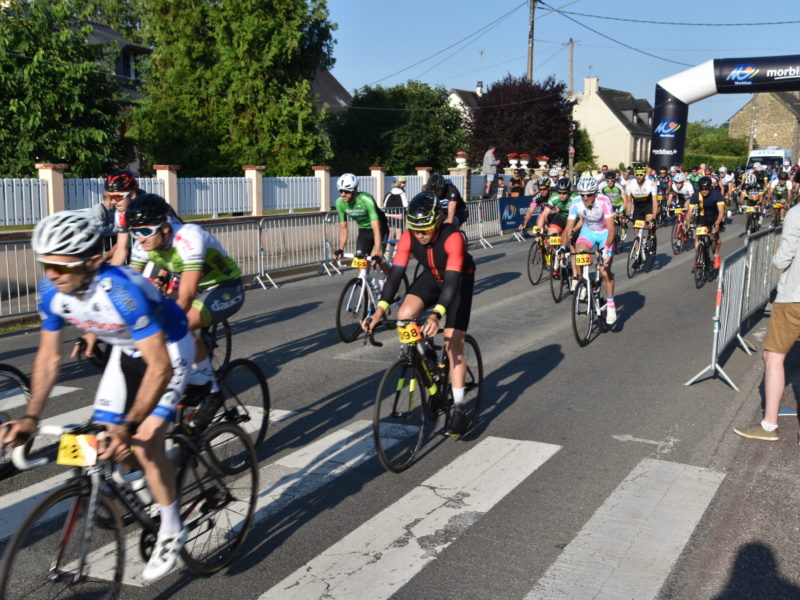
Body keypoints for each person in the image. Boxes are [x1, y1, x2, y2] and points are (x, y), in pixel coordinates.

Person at [0, 209, 194, 581]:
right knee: (93, 442)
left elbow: (159, 367)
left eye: (61, 266)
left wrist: (130, 427)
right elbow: (48, 358)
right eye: (46, 265)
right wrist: (31, 417)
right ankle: (141, 480)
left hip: (169, 352)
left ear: (91, 261)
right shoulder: (51, 290)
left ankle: (172, 528)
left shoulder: (123, 290)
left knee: (144, 442)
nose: (51, 275)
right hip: (125, 352)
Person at [362, 192, 475, 435]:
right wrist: (379, 311)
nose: (420, 235)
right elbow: (395, 277)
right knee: (404, 315)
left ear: (437, 222)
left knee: (452, 343)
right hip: (433, 277)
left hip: (458, 281)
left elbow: (451, 284)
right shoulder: (409, 236)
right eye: (415, 230)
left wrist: (436, 315)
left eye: (425, 229)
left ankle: (458, 407)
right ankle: (426, 360)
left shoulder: (453, 238)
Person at [124, 194, 244, 397]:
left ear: (164, 227)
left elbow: (186, 296)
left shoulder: (189, 238)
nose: (140, 238)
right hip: (192, 284)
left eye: (145, 231)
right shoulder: (141, 244)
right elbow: (129, 286)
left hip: (224, 287)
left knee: (180, 325)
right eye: (134, 232)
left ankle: (211, 386)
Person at [734, 200, 800, 441]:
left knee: (773, 357)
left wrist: (774, 258)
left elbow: (783, 258)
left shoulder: (796, 213)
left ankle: (769, 424)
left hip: (794, 296)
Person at [563, 176, 617, 324]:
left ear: (595, 193)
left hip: (605, 233)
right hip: (588, 232)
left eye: (589, 194)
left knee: (604, 271)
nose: (585, 198)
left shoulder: (604, 201)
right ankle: (585, 282)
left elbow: (612, 229)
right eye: (582, 195)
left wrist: (606, 248)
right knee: (579, 255)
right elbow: (568, 228)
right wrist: (561, 247)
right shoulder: (576, 202)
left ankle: (611, 305)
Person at [332, 173, 391, 272]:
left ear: (355, 190)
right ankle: (363, 281)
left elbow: (376, 227)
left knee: (376, 262)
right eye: (341, 191)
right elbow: (343, 228)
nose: (343, 194)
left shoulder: (366, 199)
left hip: (380, 229)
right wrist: (340, 249)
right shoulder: (340, 203)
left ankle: (393, 277)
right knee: (361, 265)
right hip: (364, 231)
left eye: (347, 191)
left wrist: (378, 250)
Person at [103, 170, 143, 266]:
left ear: (132, 194)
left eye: (117, 197)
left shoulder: (147, 208)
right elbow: (121, 249)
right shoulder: (121, 213)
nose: (113, 202)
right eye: (110, 197)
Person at [686, 176, 726, 269]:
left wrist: (717, 223)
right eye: (702, 189)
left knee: (715, 237)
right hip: (703, 217)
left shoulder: (716, 194)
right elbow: (689, 212)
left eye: (706, 189)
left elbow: (721, 212)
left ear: (710, 187)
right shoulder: (696, 195)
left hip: (715, 217)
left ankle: (716, 256)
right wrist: (688, 224)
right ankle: (699, 257)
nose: (704, 191)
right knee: (698, 236)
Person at [623, 163, 659, 250]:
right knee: (636, 230)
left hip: (648, 205)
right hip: (638, 207)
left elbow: (655, 202)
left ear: (644, 174)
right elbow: (629, 202)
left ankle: (652, 237)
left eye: (641, 174)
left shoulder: (651, 184)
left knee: (650, 224)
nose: (639, 177)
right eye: (637, 174)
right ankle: (637, 251)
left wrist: (654, 217)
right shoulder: (629, 184)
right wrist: (627, 214)